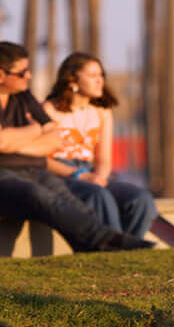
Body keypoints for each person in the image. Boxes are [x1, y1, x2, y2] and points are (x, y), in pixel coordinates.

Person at [0, 42, 151, 253]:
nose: (29, 76)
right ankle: (112, 244)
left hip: (34, 168)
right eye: (22, 72)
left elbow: (55, 138)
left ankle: (99, 249)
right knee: (40, 197)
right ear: (0, 76)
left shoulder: (22, 95)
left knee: (70, 201)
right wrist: (35, 131)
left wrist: (14, 138)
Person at [43, 53, 158, 239]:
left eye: (101, 75)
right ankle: (111, 250)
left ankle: (130, 251)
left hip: (91, 172)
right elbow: (41, 160)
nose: (100, 81)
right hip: (61, 174)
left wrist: (100, 176)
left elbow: (104, 158)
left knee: (140, 199)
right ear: (72, 80)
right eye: (92, 76)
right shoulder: (49, 110)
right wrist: (78, 174)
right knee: (99, 196)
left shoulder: (102, 112)